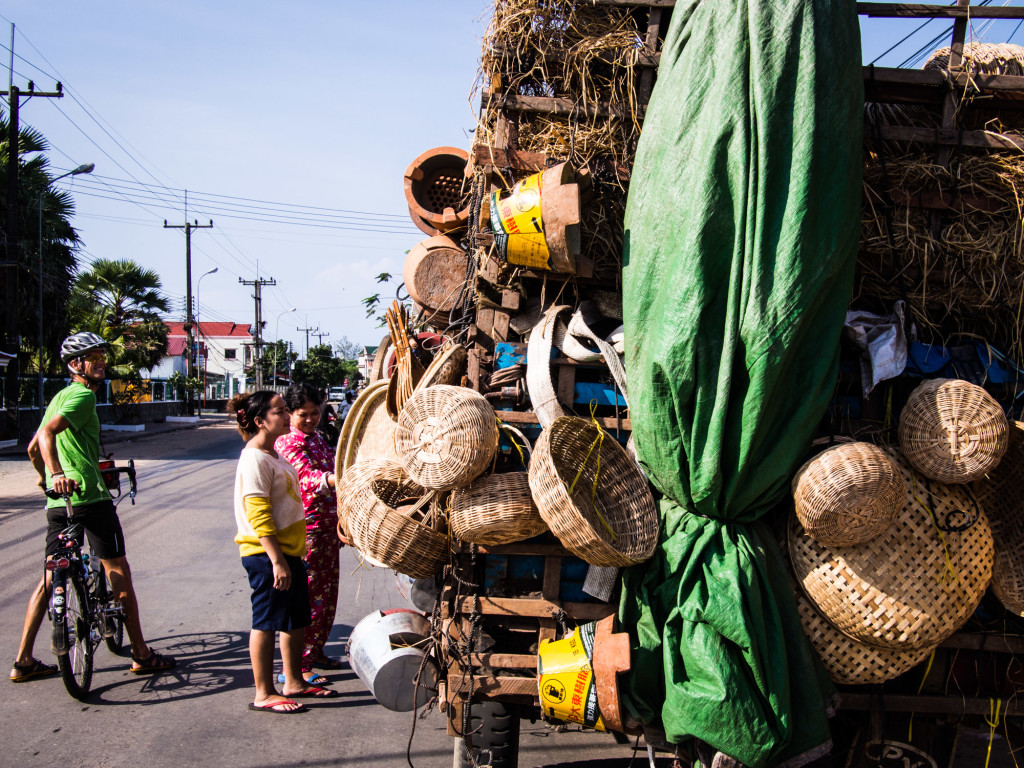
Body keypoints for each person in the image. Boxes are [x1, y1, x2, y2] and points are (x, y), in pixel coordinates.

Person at [10, 331, 176, 683]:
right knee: (117, 568)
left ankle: (23, 660)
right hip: (90, 498)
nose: (100, 361)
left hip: (59, 502)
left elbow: (31, 446)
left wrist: (46, 481)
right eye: (92, 356)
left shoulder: (57, 398)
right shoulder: (82, 396)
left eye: (102, 354)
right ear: (75, 365)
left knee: (51, 575)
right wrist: (57, 472)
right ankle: (142, 654)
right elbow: (46, 436)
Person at [229, 390, 338, 714]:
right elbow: (258, 513)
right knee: (265, 621)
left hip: (290, 550)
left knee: (294, 620)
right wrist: (276, 560)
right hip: (267, 555)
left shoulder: (274, 454)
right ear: (260, 420)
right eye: (279, 411)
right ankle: (264, 692)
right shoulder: (254, 458)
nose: (286, 414)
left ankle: (293, 681)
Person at [276, 383, 343, 676]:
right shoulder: (288, 443)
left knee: (327, 596)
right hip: (309, 531)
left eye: (315, 413)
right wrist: (338, 480)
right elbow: (307, 477)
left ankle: (316, 652)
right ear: (290, 413)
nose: (310, 419)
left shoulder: (317, 438)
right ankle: (300, 666)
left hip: (329, 528)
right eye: (303, 414)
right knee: (309, 598)